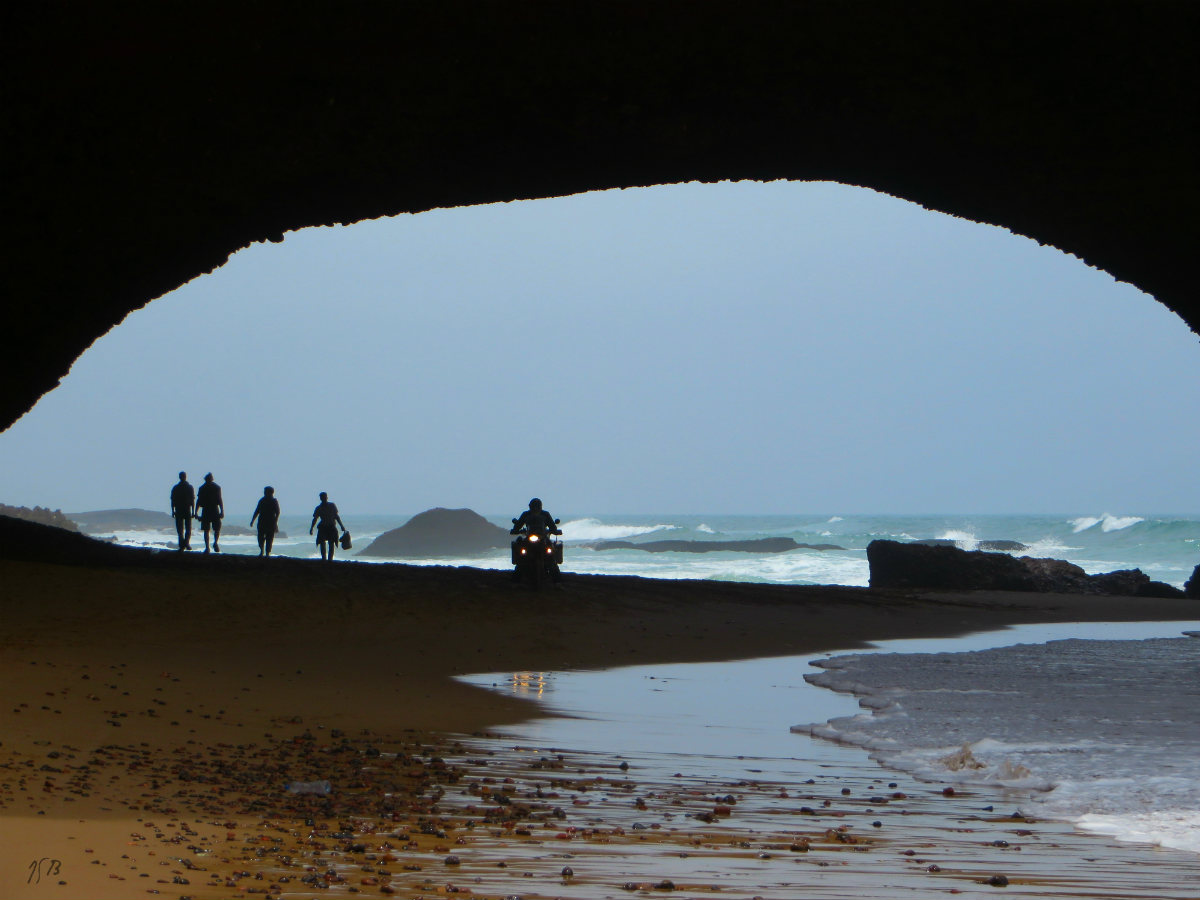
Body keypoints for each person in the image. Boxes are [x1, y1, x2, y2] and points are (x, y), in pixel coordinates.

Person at [510, 497, 562, 582]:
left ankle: (557, 580)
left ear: (540, 506)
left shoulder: (545, 514)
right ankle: (516, 580)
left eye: (537, 506)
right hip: (529, 537)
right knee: (521, 554)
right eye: (534, 506)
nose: (535, 508)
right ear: (530, 506)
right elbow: (518, 525)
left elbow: (552, 526)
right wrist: (515, 530)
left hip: (542, 537)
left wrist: (555, 531)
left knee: (551, 555)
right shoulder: (526, 514)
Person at [309, 491, 345, 561]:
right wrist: (311, 528)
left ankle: (330, 559)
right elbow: (315, 519)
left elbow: (336, 516)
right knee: (322, 543)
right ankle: (324, 559)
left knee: (331, 543)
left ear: (327, 497)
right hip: (323, 527)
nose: (324, 498)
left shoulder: (332, 506)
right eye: (322, 497)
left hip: (331, 527)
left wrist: (341, 526)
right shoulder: (318, 508)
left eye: (324, 497)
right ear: (321, 498)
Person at [195, 472, 224, 553]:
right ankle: (212, 544)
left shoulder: (203, 488)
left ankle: (209, 546)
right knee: (213, 529)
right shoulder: (215, 487)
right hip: (212, 510)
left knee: (209, 530)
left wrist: (196, 512)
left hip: (208, 510)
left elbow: (199, 501)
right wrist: (222, 511)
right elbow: (219, 499)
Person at [250, 486, 281, 557]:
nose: (264, 493)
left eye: (265, 491)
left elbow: (278, 512)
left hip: (270, 522)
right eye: (264, 491)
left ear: (270, 492)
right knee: (260, 537)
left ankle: (267, 553)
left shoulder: (274, 501)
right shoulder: (262, 500)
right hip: (262, 522)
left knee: (269, 538)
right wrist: (252, 520)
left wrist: (275, 523)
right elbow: (257, 511)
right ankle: (262, 551)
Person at [169, 471, 195, 551]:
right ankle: (185, 544)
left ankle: (183, 544)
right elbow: (192, 500)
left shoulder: (176, 487)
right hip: (185, 510)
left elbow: (173, 500)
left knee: (180, 529)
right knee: (186, 529)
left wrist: (173, 510)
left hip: (180, 510)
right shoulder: (189, 487)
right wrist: (193, 511)